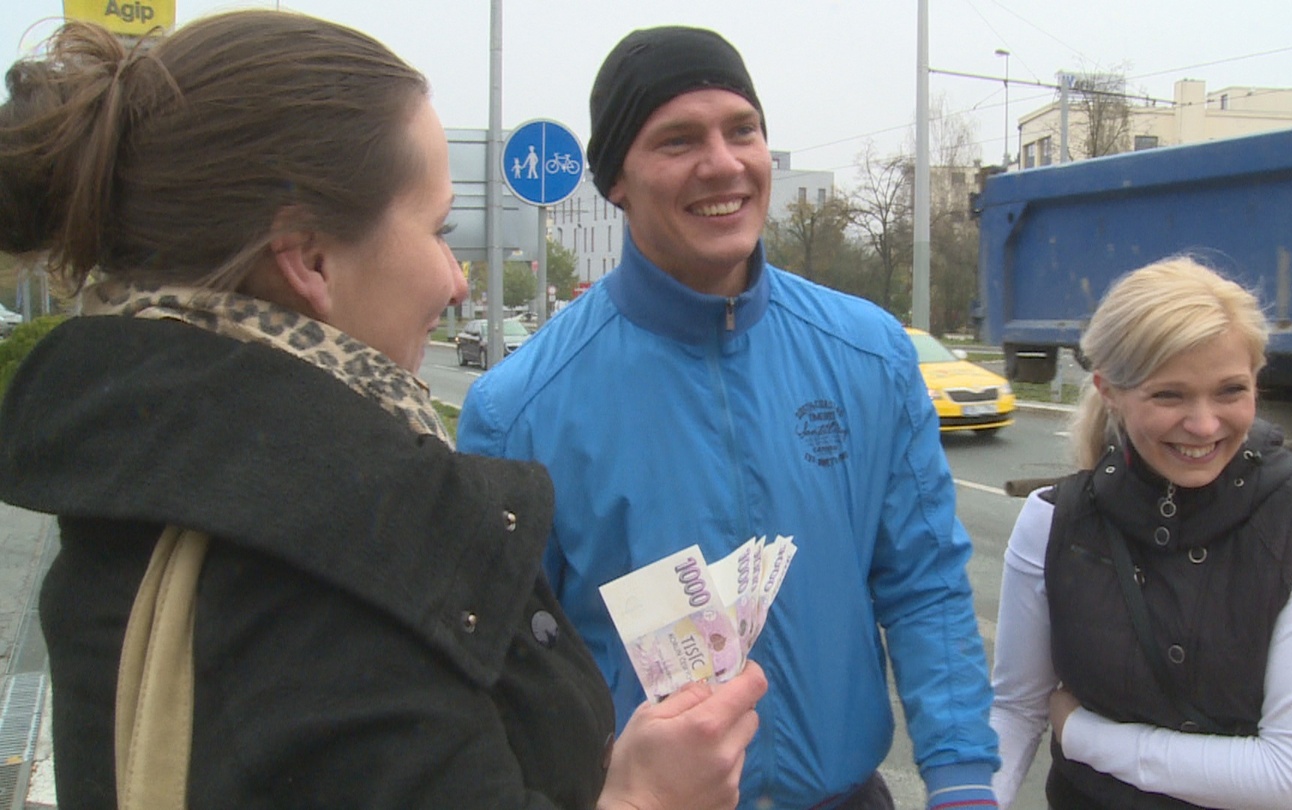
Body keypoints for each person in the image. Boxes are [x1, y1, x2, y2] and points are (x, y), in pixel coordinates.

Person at [0, 12, 765, 809]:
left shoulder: (151, 473)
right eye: (438, 231)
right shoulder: (326, 569)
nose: (458, 281)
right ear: (310, 259)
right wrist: (646, 800)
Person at [457, 25, 999, 810]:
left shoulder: (871, 354)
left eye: (742, 130)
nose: (723, 162)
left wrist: (960, 781)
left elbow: (924, 584)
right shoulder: (517, 412)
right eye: (678, 140)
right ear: (615, 181)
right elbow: (507, 676)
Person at [988, 257, 1292, 809]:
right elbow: (1017, 709)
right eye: (1169, 396)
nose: (1205, 424)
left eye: (1230, 390)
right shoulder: (1051, 521)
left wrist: (1085, 735)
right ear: (1108, 390)